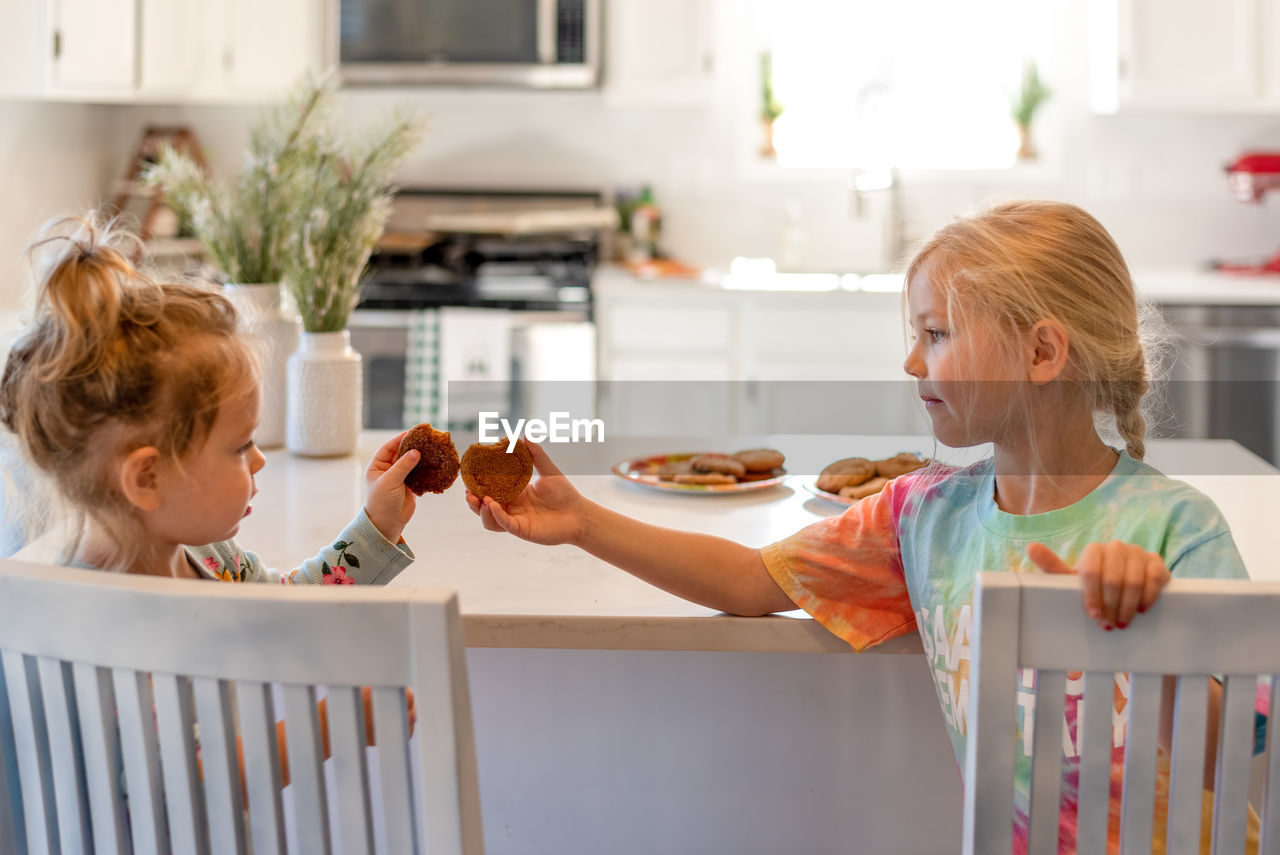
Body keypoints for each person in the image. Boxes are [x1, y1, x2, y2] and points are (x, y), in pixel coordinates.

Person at [469, 200, 1257, 853]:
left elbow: (1242, 751)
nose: (914, 362)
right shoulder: (927, 515)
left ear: (1042, 351)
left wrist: (1145, 643)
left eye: (937, 333)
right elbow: (750, 582)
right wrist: (583, 522)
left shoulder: (1175, 526)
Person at [0, 213, 421, 790]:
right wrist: (330, 726)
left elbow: (291, 612)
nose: (259, 461)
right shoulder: (91, 622)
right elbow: (177, 791)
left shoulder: (209, 561)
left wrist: (377, 522)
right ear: (147, 477)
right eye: (240, 445)